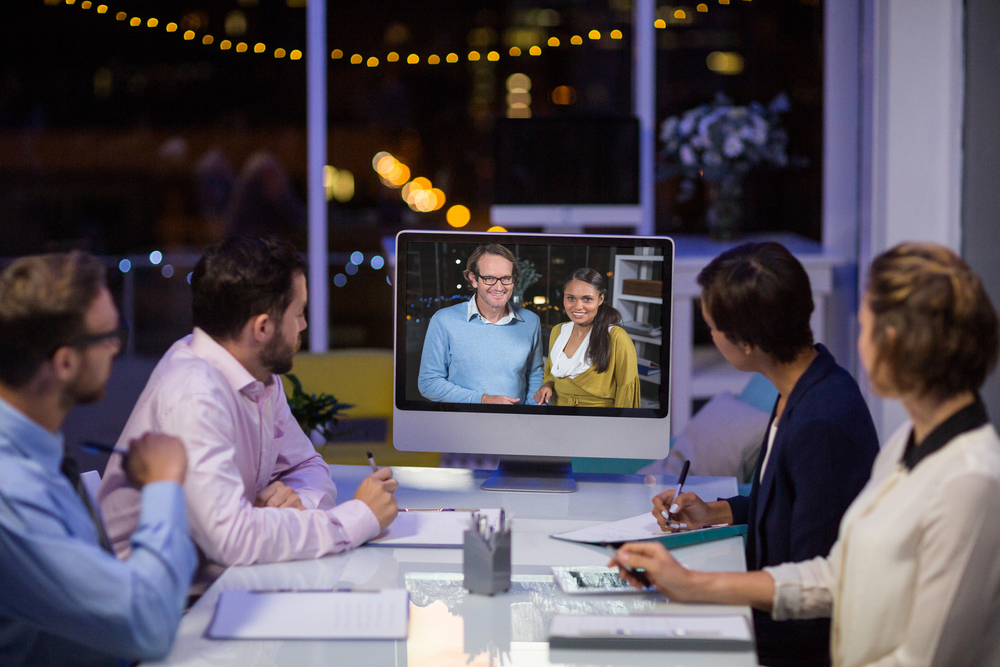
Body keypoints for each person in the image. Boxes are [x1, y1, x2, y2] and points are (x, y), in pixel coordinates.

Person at [612, 242, 1000, 667]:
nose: (861, 340)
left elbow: (921, 659)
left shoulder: (970, 482)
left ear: (893, 342)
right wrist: (690, 582)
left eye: (865, 326)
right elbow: (835, 575)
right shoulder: (910, 440)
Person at [98, 236, 398, 567]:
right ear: (263, 327)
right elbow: (234, 539)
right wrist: (358, 518)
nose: (304, 325)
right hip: (155, 599)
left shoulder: (256, 375)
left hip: (213, 576)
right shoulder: (195, 394)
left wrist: (297, 507)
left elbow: (307, 466)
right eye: (298, 313)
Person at [648, 242, 879, 667]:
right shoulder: (805, 383)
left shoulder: (821, 425)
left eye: (712, 327)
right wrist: (715, 512)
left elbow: (814, 590)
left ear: (748, 343)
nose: (711, 335)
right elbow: (796, 507)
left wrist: (696, 591)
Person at [0, 252, 197, 666]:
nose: (114, 348)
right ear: (65, 362)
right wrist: (164, 483)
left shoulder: (38, 450)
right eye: (108, 336)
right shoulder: (11, 490)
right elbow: (145, 626)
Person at [418, 243, 544, 405]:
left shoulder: (531, 321)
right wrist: (483, 400)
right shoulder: (444, 320)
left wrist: (531, 416)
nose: (499, 287)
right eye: (489, 278)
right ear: (474, 280)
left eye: (506, 278)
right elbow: (429, 383)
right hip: (463, 423)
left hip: (516, 424)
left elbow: (534, 375)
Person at [533, 268, 640, 408]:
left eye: (587, 299)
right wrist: (547, 385)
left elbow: (627, 396)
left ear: (600, 299)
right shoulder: (558, 331)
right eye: (570, 298)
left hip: (598, 423)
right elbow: (550, 376)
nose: (578, 307)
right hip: (559, 418)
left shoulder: (616, 338)